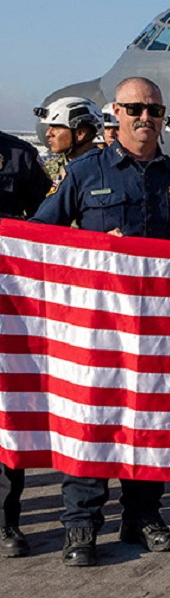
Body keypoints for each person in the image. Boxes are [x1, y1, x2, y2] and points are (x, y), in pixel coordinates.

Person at [34, 76, 170, 566]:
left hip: (155, 327)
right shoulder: (84, 172)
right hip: (96, 326)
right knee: (91, 420)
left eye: (154, 111)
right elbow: (43, 235)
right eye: (135, 110)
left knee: (146, 421)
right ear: (115, 115)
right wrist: (97, 248)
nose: (145, 118)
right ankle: (80, 525)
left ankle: (142, 516)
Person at [0, 125, 53, 558]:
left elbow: (49, 226)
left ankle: (5, 521)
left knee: (6, 417)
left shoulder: (17, 157)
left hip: (8, 309)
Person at [34, 96, 102, 191]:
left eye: (56, 127)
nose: (48, 133)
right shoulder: (48, 171)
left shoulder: (109, 169)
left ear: (80, 133)